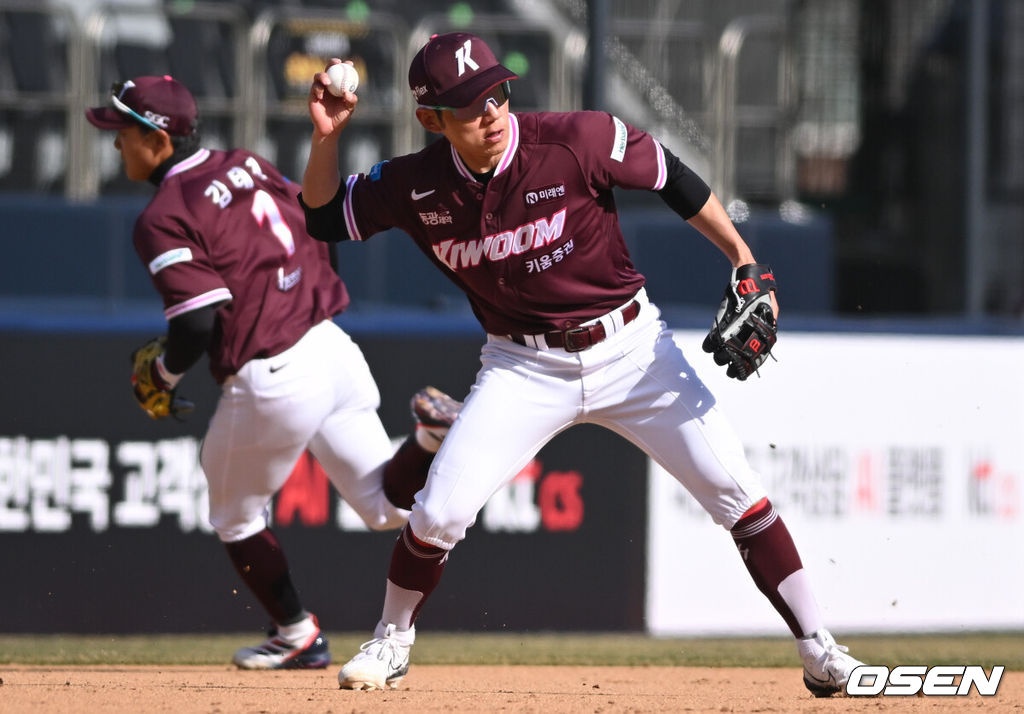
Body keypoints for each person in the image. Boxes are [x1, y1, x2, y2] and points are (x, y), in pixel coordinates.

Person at [299, 33, 864, 696]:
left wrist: (741, 255)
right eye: (468, 102)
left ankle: (819, 649)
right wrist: (327, 137)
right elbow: (324, 219)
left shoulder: (577, 139)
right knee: (435, 516)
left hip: (633, 352)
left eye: (496, 91)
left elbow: (673, 178)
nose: (490, 109)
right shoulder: (414, 185)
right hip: (522, 366)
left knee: (738, 495)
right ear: (432, 120)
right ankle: (392, 641)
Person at [84, 75, 462, 670]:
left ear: (156, 138)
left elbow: (199, 323)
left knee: (233, 514)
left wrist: (163, 374)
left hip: (274, 372)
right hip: (331, 346)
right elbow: (318, 214)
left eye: (124, 132)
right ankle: (428, 439)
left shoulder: (163, 214)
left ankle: (296, 634)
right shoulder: (249, 163)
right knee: (385, 509)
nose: (116, 146)